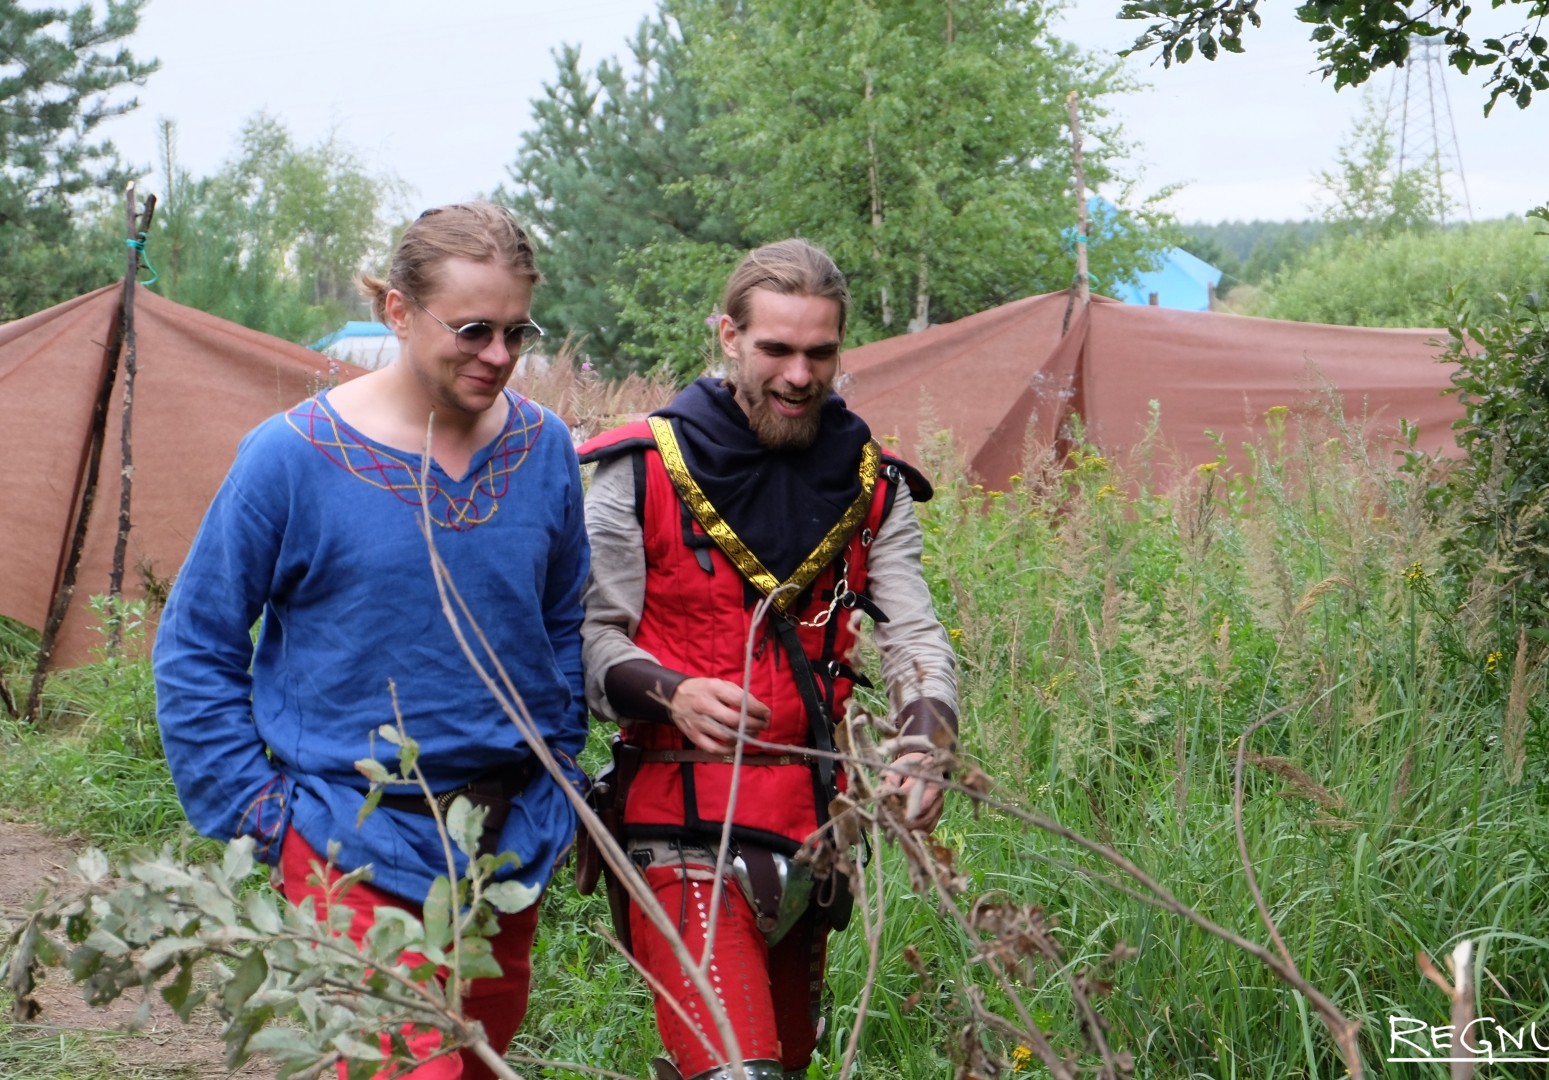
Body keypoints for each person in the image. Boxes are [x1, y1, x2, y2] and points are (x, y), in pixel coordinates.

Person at [152, 202, 589, 1079]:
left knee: (477, 1066)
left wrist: (562, 766)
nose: (498, 357)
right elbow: (196, 645)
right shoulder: (289, 457)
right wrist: (265, 817)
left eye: (516, 331)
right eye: (472, 330)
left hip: (509, 847)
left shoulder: (544, 449)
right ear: (397, 310)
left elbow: (561, 621)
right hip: (350, 847)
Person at [577, 238, 958, 1080]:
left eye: (820, 353)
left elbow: (912, 636)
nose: (798, 375)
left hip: (818, 837)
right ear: (728, 336)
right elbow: (586, 639)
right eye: (776, 350)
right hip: (677, 826)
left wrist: (927, 741)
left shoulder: (873, 482)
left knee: (782, 1068)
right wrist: (670, 692)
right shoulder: (639, 470)